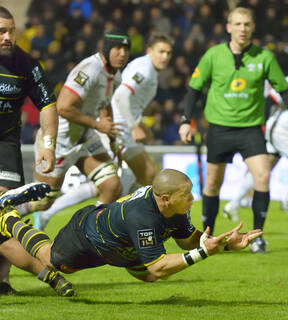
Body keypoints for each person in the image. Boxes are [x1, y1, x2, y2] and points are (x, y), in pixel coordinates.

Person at [0, 169, 263, 293]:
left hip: (120, 244)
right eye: (186, 194)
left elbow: (186, 242)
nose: (192, 198)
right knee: (50, 260)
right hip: (88, 235)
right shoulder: (142, 216)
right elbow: (158, 266)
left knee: (150, 278)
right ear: (165, 198)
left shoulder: (176, 208)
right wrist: (204, 252)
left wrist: (225, 243)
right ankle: (9, 216)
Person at [179, 7, 288, 253]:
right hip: (220, 129)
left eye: (247, 24)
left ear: (253, 27)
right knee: (213, 184)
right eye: (237, 24)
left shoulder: (264, 57)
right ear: (228, 27)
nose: (242, 29)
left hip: (250, 129)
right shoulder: (213, 55)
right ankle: (208, 238)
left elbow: (284, 90)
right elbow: (194, 89)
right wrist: (186, 120)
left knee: (263, 176)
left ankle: (257, 237)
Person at [16, 29, 131, 219]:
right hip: (59, 139)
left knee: (112, 186)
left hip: (85, 139)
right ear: (107, 49)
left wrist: (112, 141)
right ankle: (6, 214)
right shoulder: (90, 69)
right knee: (43, 201)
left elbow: (104, 103)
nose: (122, 54)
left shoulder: (115, 75)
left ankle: (94, 236)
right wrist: (97, 125)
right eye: (117, 48)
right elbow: (63, 107)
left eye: (126, 50)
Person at [0, 6, 66, 294]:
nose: (7, 37)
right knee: (3, 218)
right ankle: (44, 272)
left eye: (11, 31)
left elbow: (48, 105)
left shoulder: (26, 64)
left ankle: (2, 281)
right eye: (1, 32)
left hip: (6, 145)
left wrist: (48, 145)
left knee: (4, 217)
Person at [224, 48, 288, 217]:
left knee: (263, 171)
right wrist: (260, 125)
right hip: (283, 131)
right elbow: (272, 98)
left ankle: (232, 204)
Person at [111, 33, 174, 185]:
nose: (165, 57)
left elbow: (132, 102)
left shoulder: (149, 69)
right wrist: (133, 126)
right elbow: (121, 96)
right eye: (161, 51)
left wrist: (139, 123)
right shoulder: (144, 70)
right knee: (108, 186)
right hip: (119, 128)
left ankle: (123, 207)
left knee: (148, 175)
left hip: (125, 126)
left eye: (168, 53)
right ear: (149, 51)